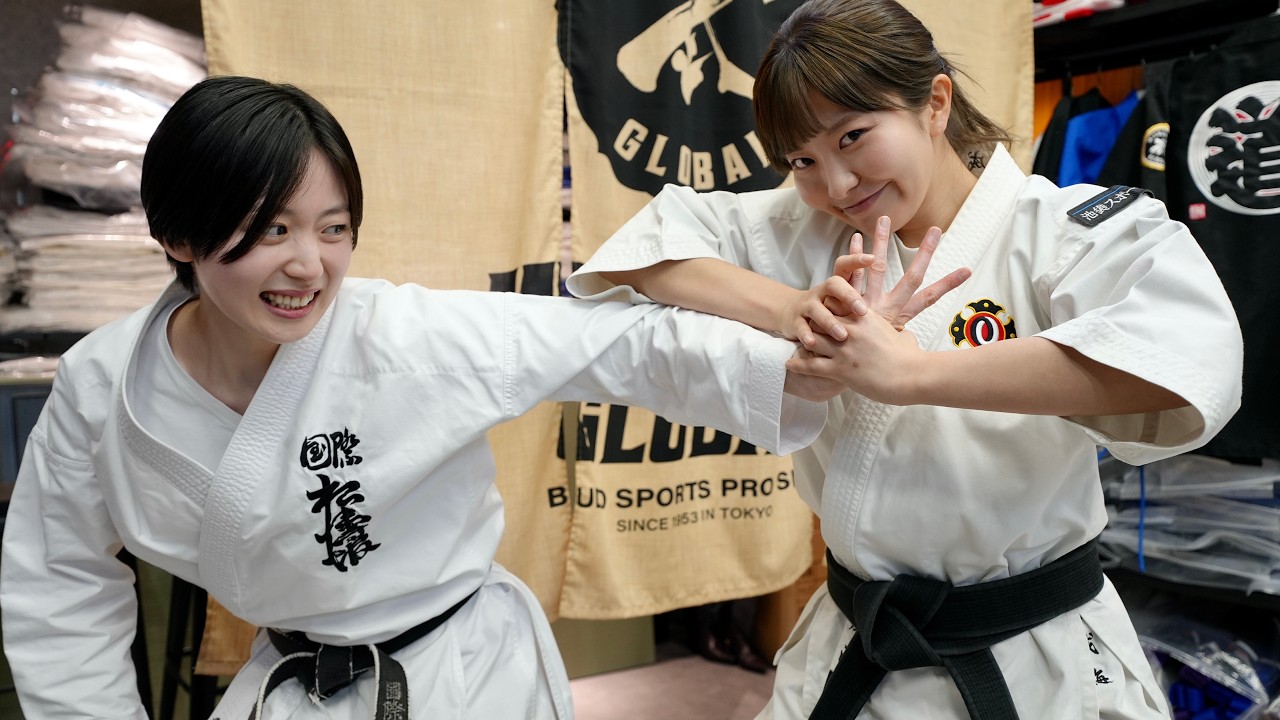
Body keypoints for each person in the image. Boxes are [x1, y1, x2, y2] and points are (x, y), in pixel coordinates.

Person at [0, 75, 868, 720]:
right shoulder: (101, 387)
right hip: (293, 689)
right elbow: (58, 583)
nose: (309, 264)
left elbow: (612, 343)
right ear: (178, 235)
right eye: (272, 229)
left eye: (332, 228)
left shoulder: (401, 334)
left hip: (463, 676)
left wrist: (788, 363)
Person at [566, 1, 1244, 718]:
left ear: (935, 102)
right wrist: (790, 308)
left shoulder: (1063, 231)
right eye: (802, 160)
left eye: (853, 136)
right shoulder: (802, 228)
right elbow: (644, 251)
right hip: (856, 643)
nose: (837, 185)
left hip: (1032, 656)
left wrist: (912, 374)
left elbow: (1183, 357)